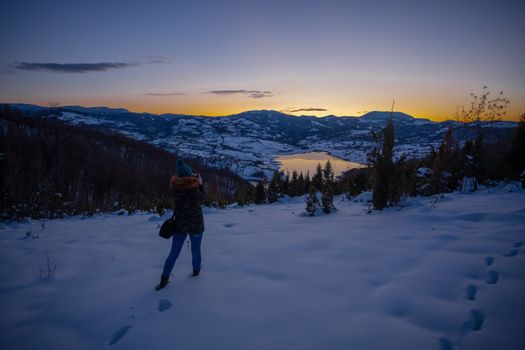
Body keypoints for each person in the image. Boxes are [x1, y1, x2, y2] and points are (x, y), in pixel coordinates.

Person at [156, 159, 206, 291]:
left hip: (180, 225)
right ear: (190, 177)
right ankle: (196, 273)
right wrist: (200, 184)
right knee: (196, 251)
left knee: (174, 253)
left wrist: (192, 181)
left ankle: (164, 280)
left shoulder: (175, 189)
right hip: (196, 225)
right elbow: (203, 199)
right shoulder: (194, 190)